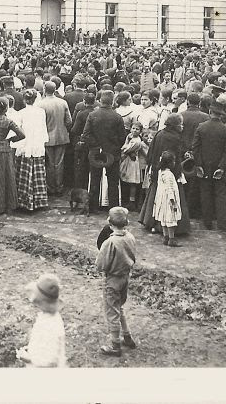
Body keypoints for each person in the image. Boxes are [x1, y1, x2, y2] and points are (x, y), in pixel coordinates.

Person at [96, 206, 137, 357]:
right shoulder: (131, 237)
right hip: (125, 277)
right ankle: (127, 336)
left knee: (111, 312)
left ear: (109, 222)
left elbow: (100, 265)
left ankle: (115, 345)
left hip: (112, 279)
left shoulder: (110, 242)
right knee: (119, 308)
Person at [80, 90, 126, 213]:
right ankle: (114, 207)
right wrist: (114, 147)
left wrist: (96, 146)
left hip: (95, 153)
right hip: (112, 153)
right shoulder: (117, 117)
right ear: (113, 101)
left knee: (95, 179)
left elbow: (86, 135)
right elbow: (122, 137)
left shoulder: (93, 115)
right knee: (113, 181)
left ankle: (93, 206)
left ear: (100, 100)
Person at [191, 106, 226, 230]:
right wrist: (221, 167)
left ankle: (207, 221)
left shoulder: (201, 127)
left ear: (210, 113)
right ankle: (221, 222)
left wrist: (198, 164)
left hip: (204, 166)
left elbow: (195, 147)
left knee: (206, 193)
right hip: (219, 166)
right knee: (220, 195)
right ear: (221, 115)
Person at [16, 274, 67, 368]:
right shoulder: (47, 316)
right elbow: (44, 344)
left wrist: (28, 358)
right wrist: (32, 349)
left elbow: (50, 360)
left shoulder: (50, 325)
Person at [13, 89, 49, 211]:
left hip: (26, 144)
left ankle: (24, 201)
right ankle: (39, 201)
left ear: (24, 100)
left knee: (25, 172)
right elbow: (43, 128)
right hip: (37, 144)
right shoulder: (41, 112)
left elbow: (18, 131)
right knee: (38, 173)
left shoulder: (21, 113)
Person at [39, 81, 72, 197]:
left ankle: (50, 187)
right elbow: (69, 121)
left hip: (46, 137)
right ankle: (59, 186)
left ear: (44, 89)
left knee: (48, 163)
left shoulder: (41, 104)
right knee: (59, 163)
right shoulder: (63, 103)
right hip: (61, 136)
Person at [152, 151, 183, 247]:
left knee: (163, 219)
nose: (174, 163)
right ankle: (171, 238)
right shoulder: (169, 175)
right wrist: (173, 201)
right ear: (169, 163)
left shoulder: (160, 172)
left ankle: (165, 237)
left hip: (161, 199)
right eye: (173, 161)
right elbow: (170, 189)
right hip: (168, 200)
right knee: (170, 219)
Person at [119, 122, 148, 210]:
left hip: (133, 163)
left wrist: (126, 145)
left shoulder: (137, 141)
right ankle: (126, 200)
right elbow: (124, 146)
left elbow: (126, 149)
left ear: (140, 131)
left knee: (132, 182)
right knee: (125, 179)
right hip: (127, 161)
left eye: (137, 129)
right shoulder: (129, 137)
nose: (134, 130)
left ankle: (132, 202)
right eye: (133, 128)